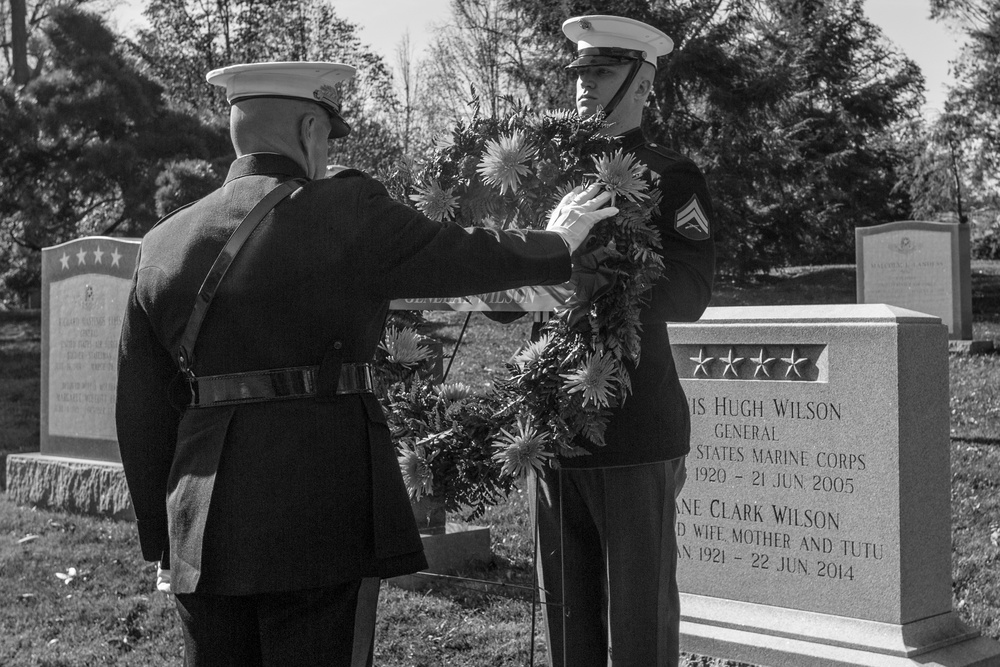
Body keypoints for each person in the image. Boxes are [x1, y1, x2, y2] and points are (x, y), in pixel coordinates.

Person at [114, 61, 618, 667]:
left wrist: (167, 540)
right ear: (308, 129)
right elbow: (457, 255)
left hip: (201, 525)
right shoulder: (345, 208)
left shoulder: (162, 242)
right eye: (327, 133)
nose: (327, 150)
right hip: (320, 509)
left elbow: (141, 411)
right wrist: (557, 242)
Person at [530, 16, 716, 667]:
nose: (583, 86)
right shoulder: (546, 178)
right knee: (567, 622)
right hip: (550, 425)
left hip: (634, 427)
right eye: (578, 72)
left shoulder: (672, 177)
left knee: (638, 629)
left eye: (602, 71)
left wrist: (589, 278)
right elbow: (506, 303)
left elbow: (690, 291)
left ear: (644, 82)